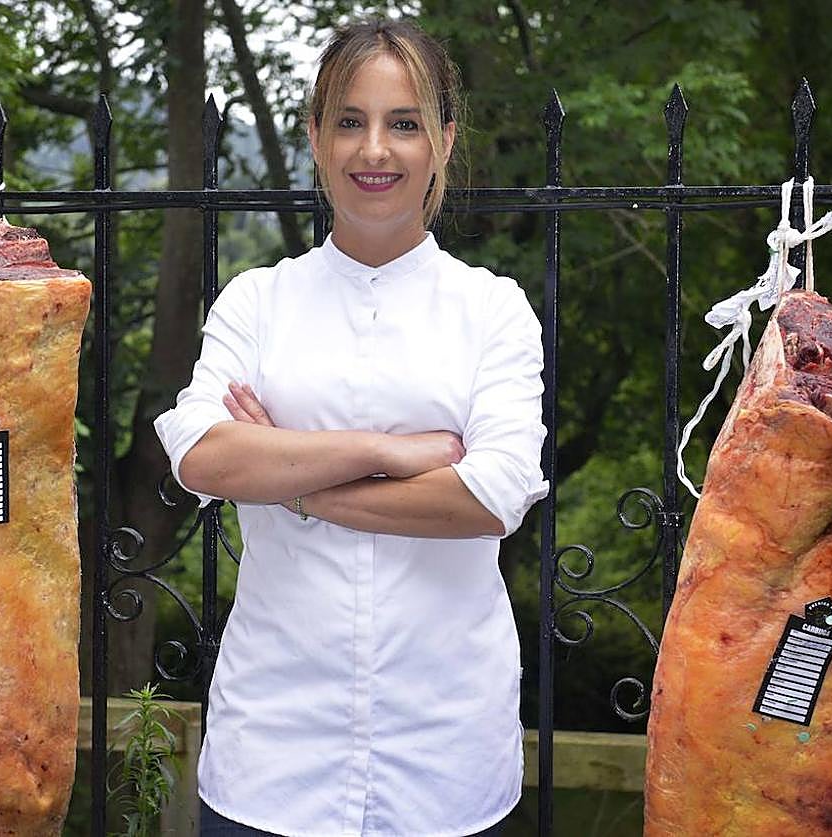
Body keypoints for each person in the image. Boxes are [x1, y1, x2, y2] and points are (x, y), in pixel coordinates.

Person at [154, 17, 547, 837]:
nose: (375, 149)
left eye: (403, 123)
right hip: (272, 758)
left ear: (443, 140)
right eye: (349, 121)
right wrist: (385, 453)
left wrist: (292, 484)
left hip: (445, 761)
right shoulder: (257, 301)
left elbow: (492, 495)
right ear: (315, 137)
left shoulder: (492, 309)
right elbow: (200, 453)